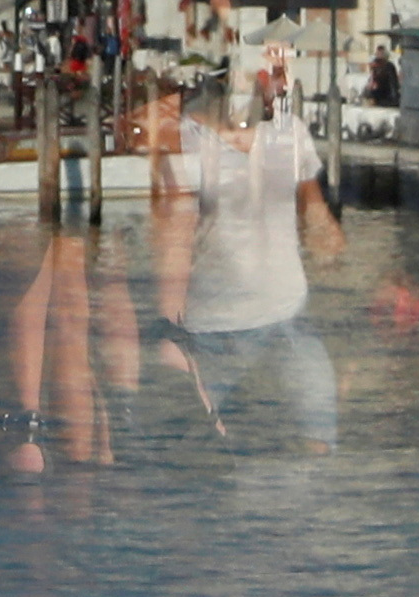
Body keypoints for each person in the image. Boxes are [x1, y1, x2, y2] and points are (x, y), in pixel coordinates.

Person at [143, 61, 345, 456]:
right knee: (196, 452)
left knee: (319, 444)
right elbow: (175, 241)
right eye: (267, 75)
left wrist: (327, 238)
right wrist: (170, 333)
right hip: (216, 331)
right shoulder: (185, 143)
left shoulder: (292, 135)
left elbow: (316, 214)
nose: (277, 85)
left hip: (289, 318)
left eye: (280, 76)